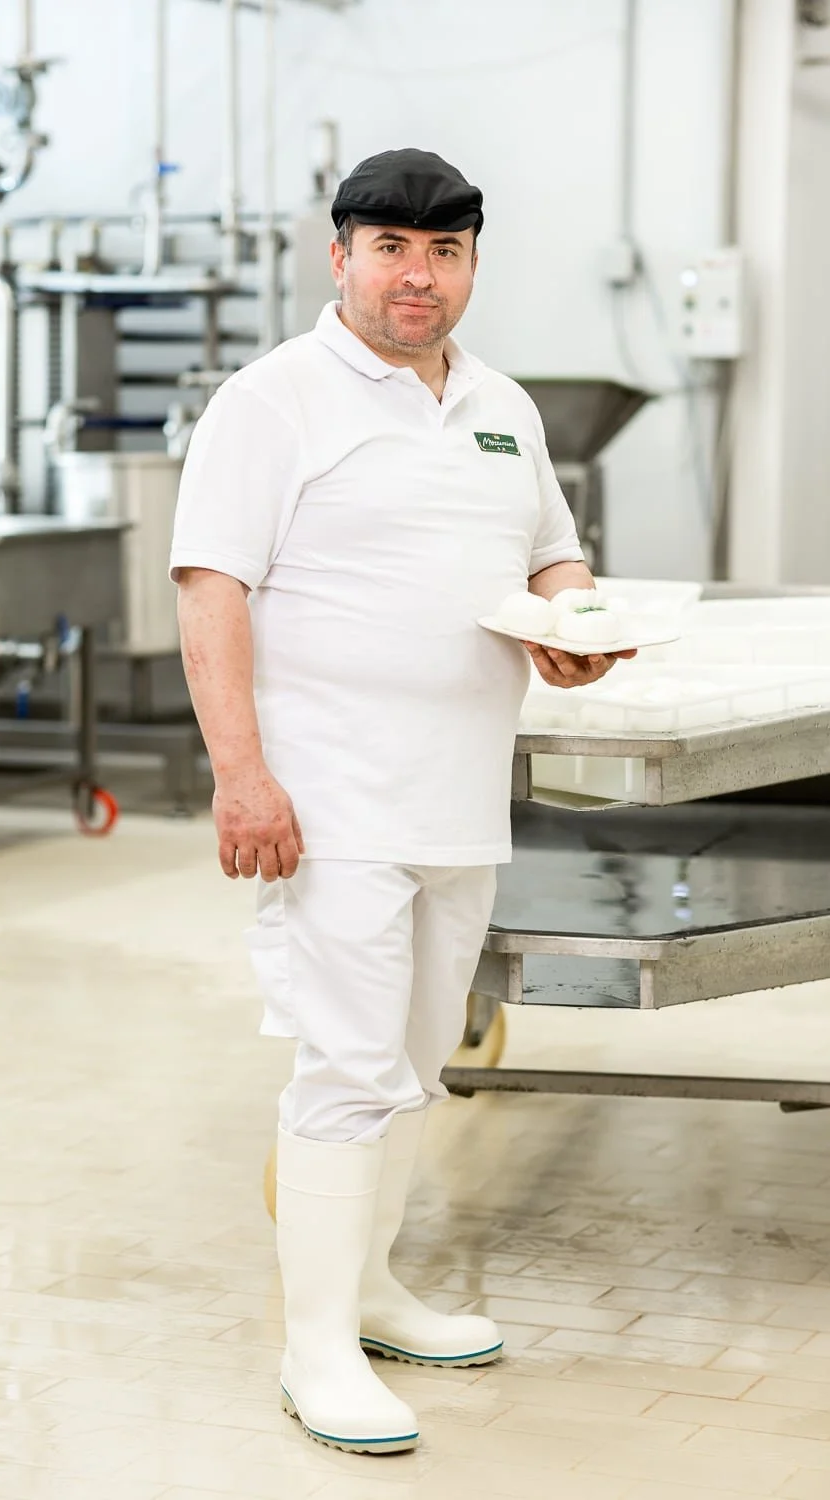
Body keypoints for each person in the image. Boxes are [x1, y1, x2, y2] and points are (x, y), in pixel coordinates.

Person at [170, 147, 632, 1455]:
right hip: (328, 806)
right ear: (341, 257)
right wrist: (242, 773)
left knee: (420, 1063)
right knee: (347, 1064)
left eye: (442, 251)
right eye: (389, 247)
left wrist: (573, 624)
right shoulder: (273, 403)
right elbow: (212, 589)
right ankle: (313, 1344)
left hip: (459, 800)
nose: (415, 275)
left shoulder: (502, 405)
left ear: (473, 262)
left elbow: (552, 551)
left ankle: (371, 1289)